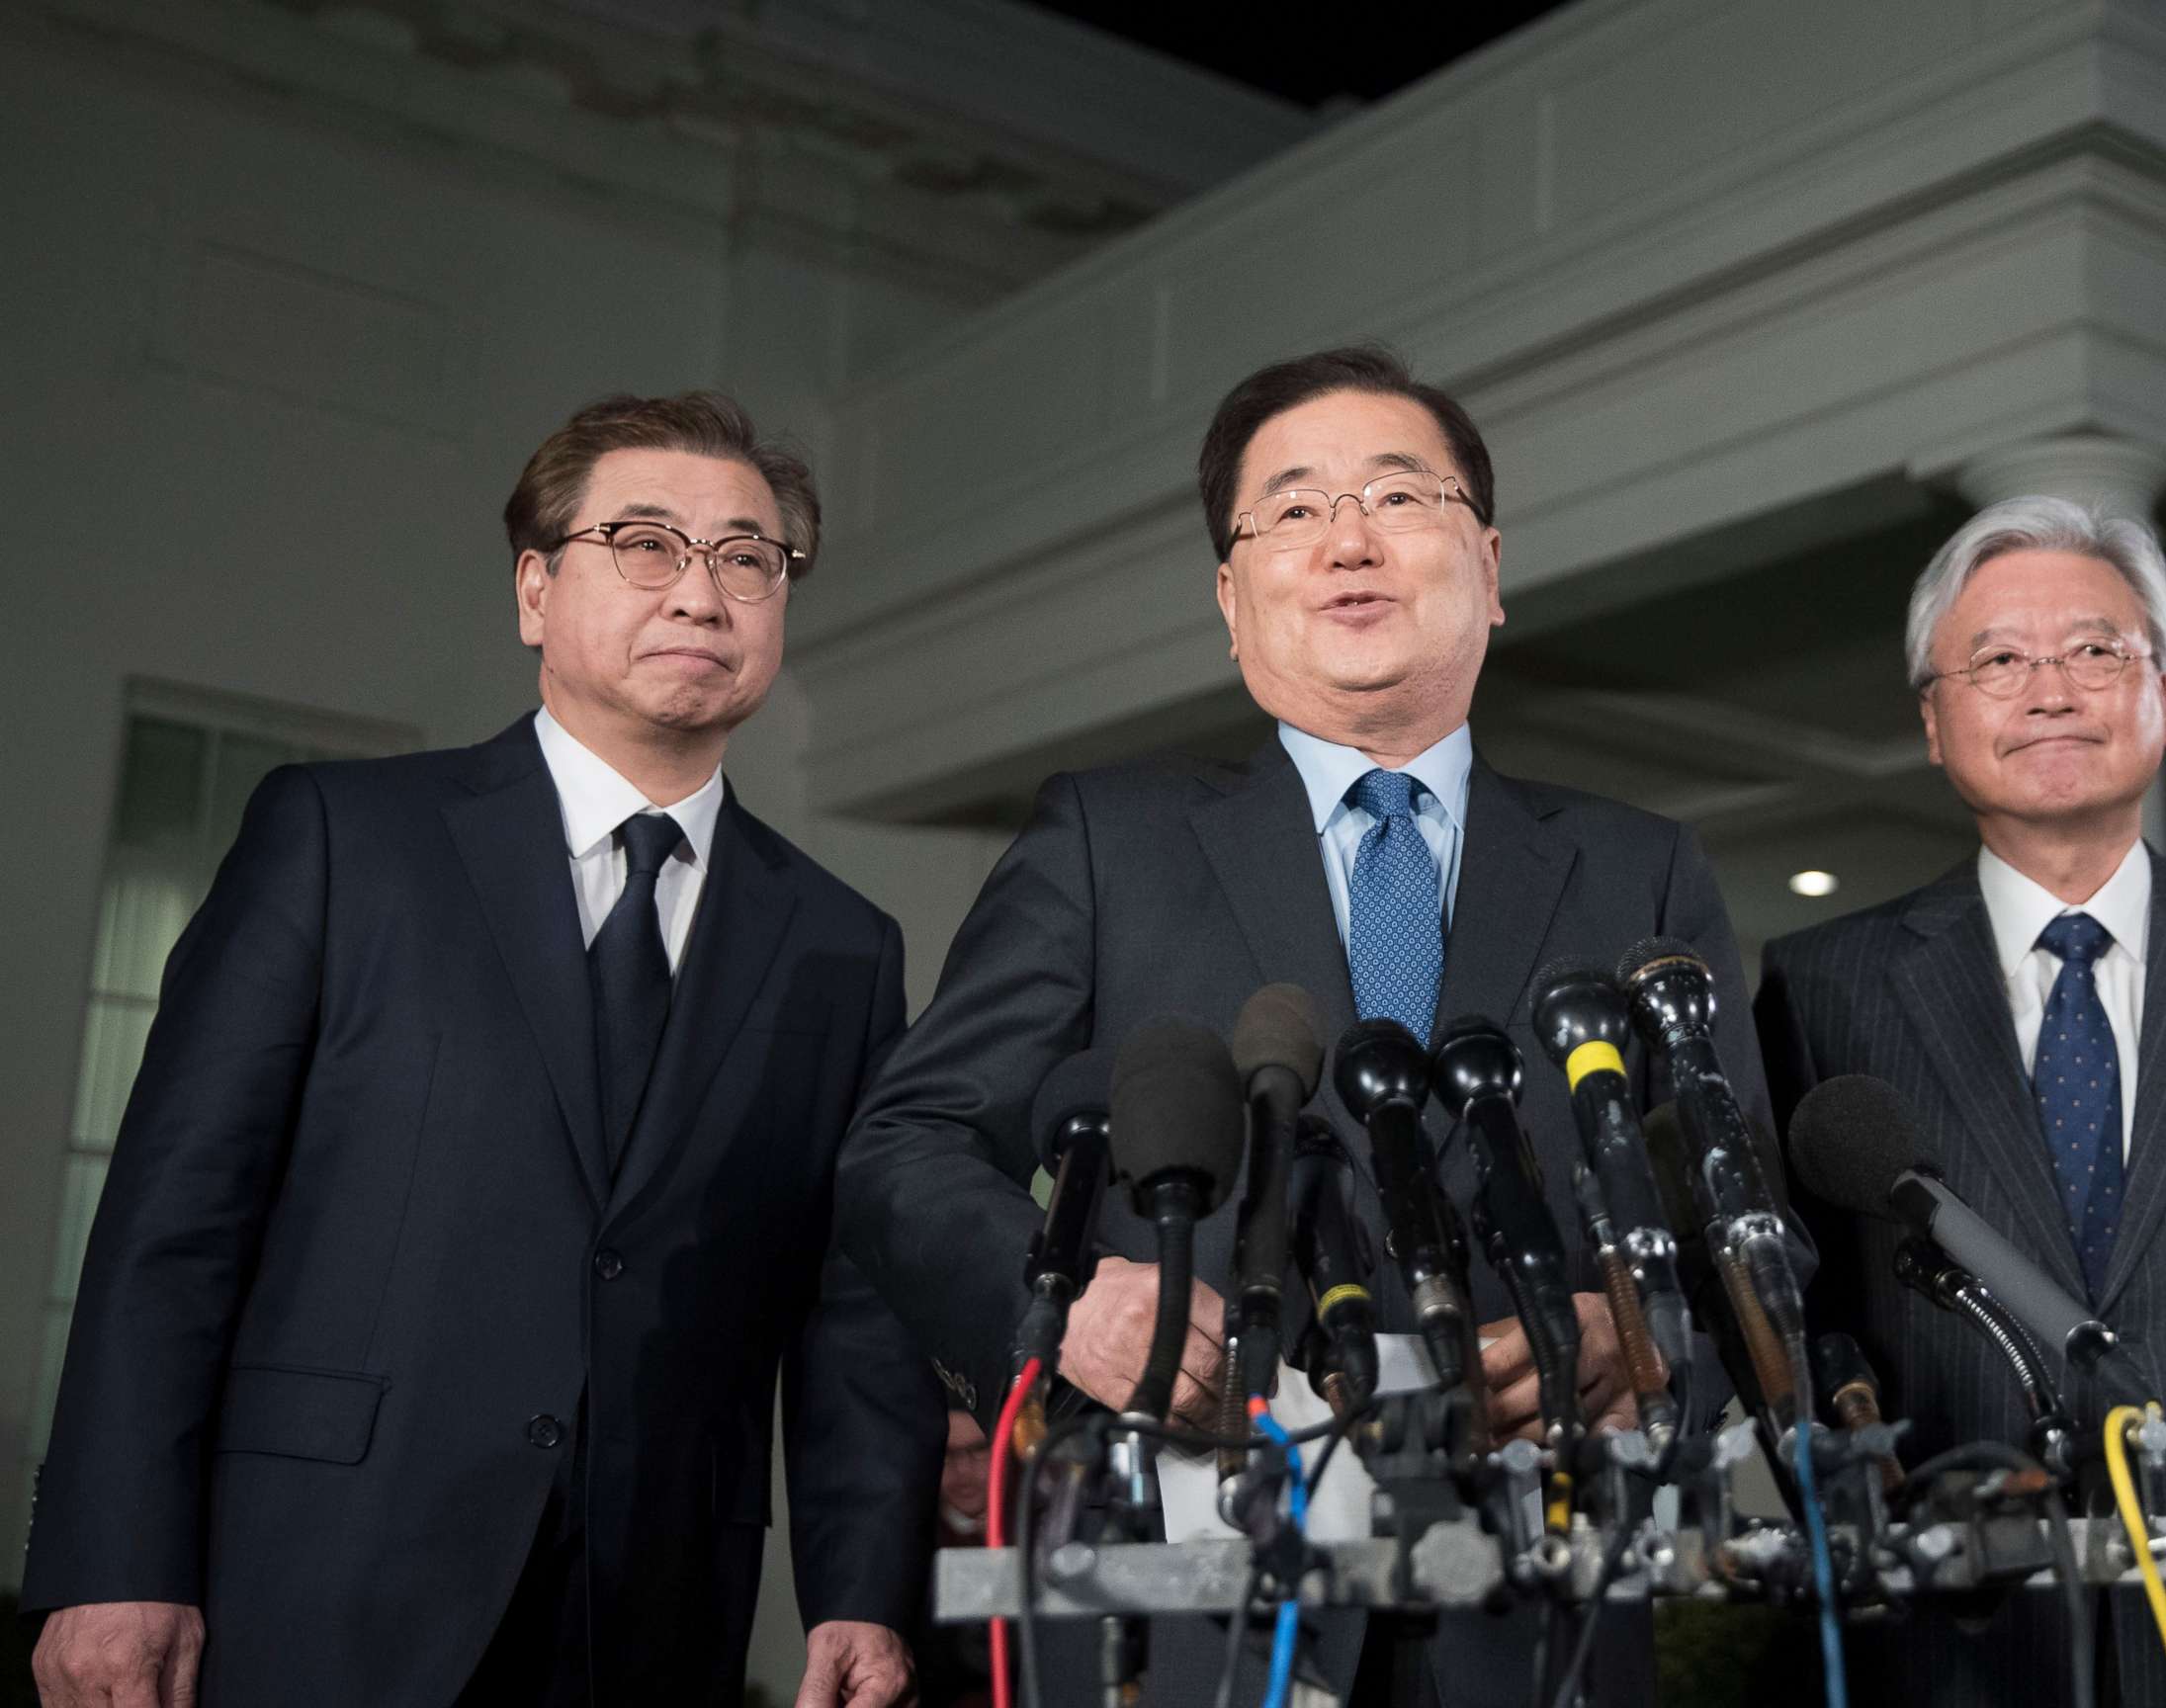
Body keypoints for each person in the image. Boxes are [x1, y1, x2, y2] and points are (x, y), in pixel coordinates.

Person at [839, 346, 1778, 1704]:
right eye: (1292, 509)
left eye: (1402, 497)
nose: (1348, 539)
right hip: (1178, 1609)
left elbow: (1740, 1209)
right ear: (1231, 601)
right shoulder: (1111, 842)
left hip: (1536, 1611)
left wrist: (1637, 1328)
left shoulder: (1639, 870)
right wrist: (1067, 1310)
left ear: (1493, 568)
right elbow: (904, 1144)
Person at [24, 392, 943, 1707]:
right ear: (533, 589)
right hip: (313, 1585)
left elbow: (854, 1312)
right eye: (645, 544)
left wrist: (865, 1592)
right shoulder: (344, 843)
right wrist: (112, 1557)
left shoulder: (843, 946)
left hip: (650, 1615)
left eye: (748, 558)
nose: (701, 593)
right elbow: (174, 1219)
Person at [1755, 495, 2166, 1706]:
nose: (2051, 690)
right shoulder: (1821, 989)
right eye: (1999, 659)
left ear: (2162, 698)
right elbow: (1800, 1321)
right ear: (1935, 722)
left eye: (2096, 651)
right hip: (1950, 1629)